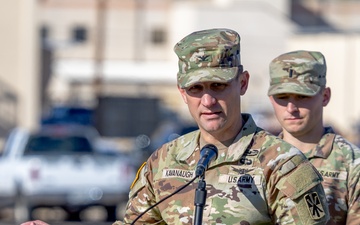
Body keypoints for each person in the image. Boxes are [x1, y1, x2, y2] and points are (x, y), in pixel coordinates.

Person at [22, 29, 329, 225]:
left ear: (243, 83)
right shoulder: (164, 161)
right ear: (182, 93)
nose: (207, 100)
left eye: (218, 86)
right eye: (196, 89)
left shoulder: (282, 166)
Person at [267, 50, 360, 225]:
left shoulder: (351, 163)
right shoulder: (259, 158)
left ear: (325, 96)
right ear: (271, 99)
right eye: (282, 97)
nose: (291, 108)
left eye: (302, 96)